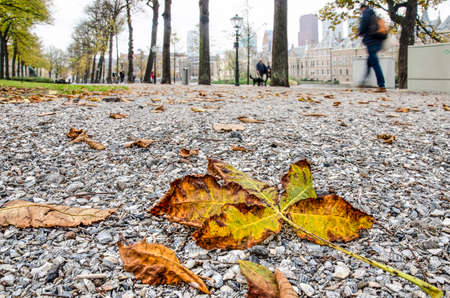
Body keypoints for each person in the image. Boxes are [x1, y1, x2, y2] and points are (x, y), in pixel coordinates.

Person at [358, 4, 386, 92]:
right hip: (377, 41)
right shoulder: (373, 15)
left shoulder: (366, 13)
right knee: (369, 62)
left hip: (372, 42)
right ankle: (364, 82)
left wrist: (360, 32)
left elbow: (363, 27)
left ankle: (381, 85)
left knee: (374, 63)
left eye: (360, 10)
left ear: (362, 8)